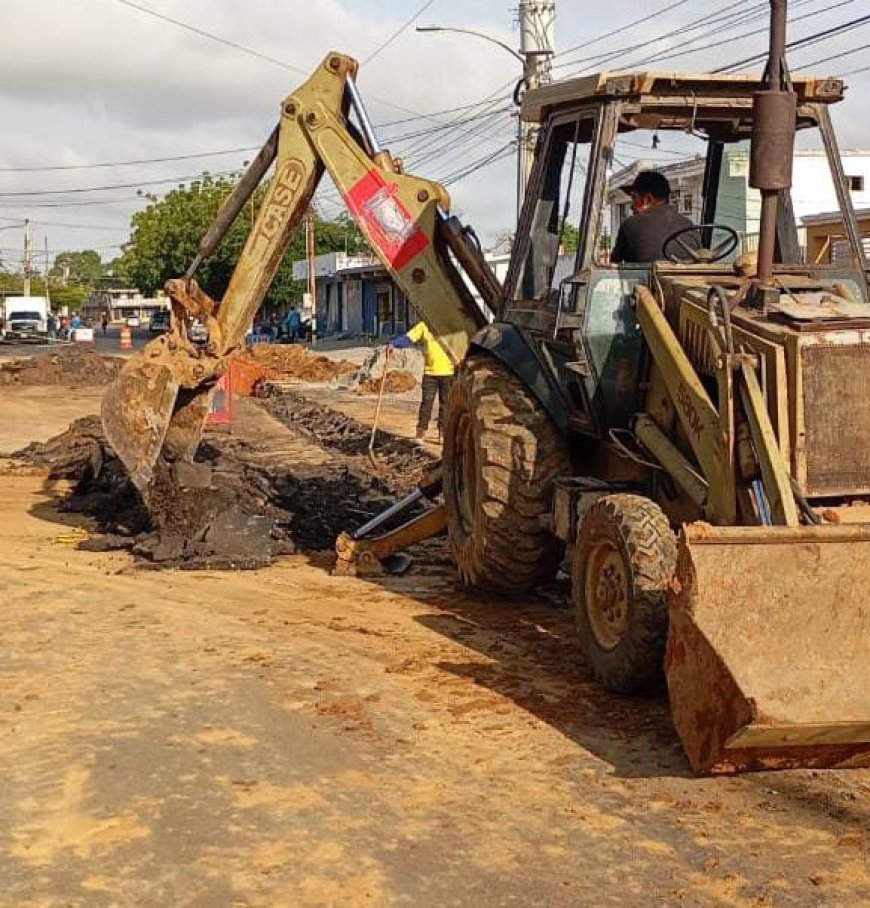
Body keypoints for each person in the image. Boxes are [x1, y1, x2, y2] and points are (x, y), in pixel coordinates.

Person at [610, 170, 693, 264]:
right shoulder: (690, 226)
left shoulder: (631, 224)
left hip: (645, 279)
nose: (631, 206)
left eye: (634, 198)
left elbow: (613, 263)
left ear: (647, 199)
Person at [391, 321, 454, 441]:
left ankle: (443, 432)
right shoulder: (425, 325)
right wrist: (394, 344)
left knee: (446, 404)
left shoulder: (450, 324)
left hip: (449, 373)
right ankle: (421, 431)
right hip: (430, 373)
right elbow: (408, 338)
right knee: (426, 403)